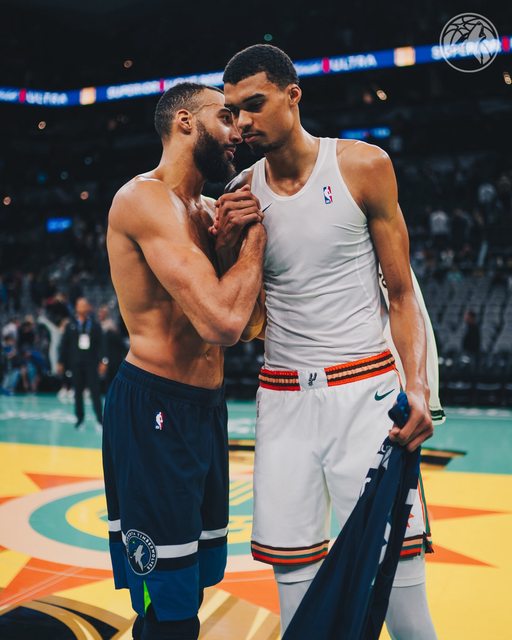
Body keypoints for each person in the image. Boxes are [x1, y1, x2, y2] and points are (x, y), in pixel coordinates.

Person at [215, 45, 438, 639]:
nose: (243, 123)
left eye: (255, 104)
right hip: (282, 400)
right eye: (234, 112)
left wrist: (417, 388)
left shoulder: (363, 165)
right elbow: (244, 323)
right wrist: (227, 245)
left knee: (402, 597)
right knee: (297, 600)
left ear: (293, 95)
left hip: (367, 395)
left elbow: (401, 294)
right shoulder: (240, 190)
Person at [103, 82, 265, 640]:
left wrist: (231, 248)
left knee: (190, 582)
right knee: (169, 604)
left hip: (205, 408)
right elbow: (221, 323)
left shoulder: (209, 211)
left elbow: (250, 326)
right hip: (155, 408)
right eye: (226, 117)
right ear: (184, 122)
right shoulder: (143, 198)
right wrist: (254, 242)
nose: (238, 132)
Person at [57, 297, 106, 431]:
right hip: (76, 363)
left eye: (84, 305)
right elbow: (64, 345)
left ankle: (100, 420)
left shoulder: (95, 326)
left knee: (95, 392)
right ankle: (80, 419)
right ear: (76, 308)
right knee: (77, 392)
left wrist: (103, 361)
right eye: (80, 305)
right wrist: (60, 362)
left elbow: (102, 345)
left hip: (91, 363)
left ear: (89, 307)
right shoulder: (70, 325)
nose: (82, 307)